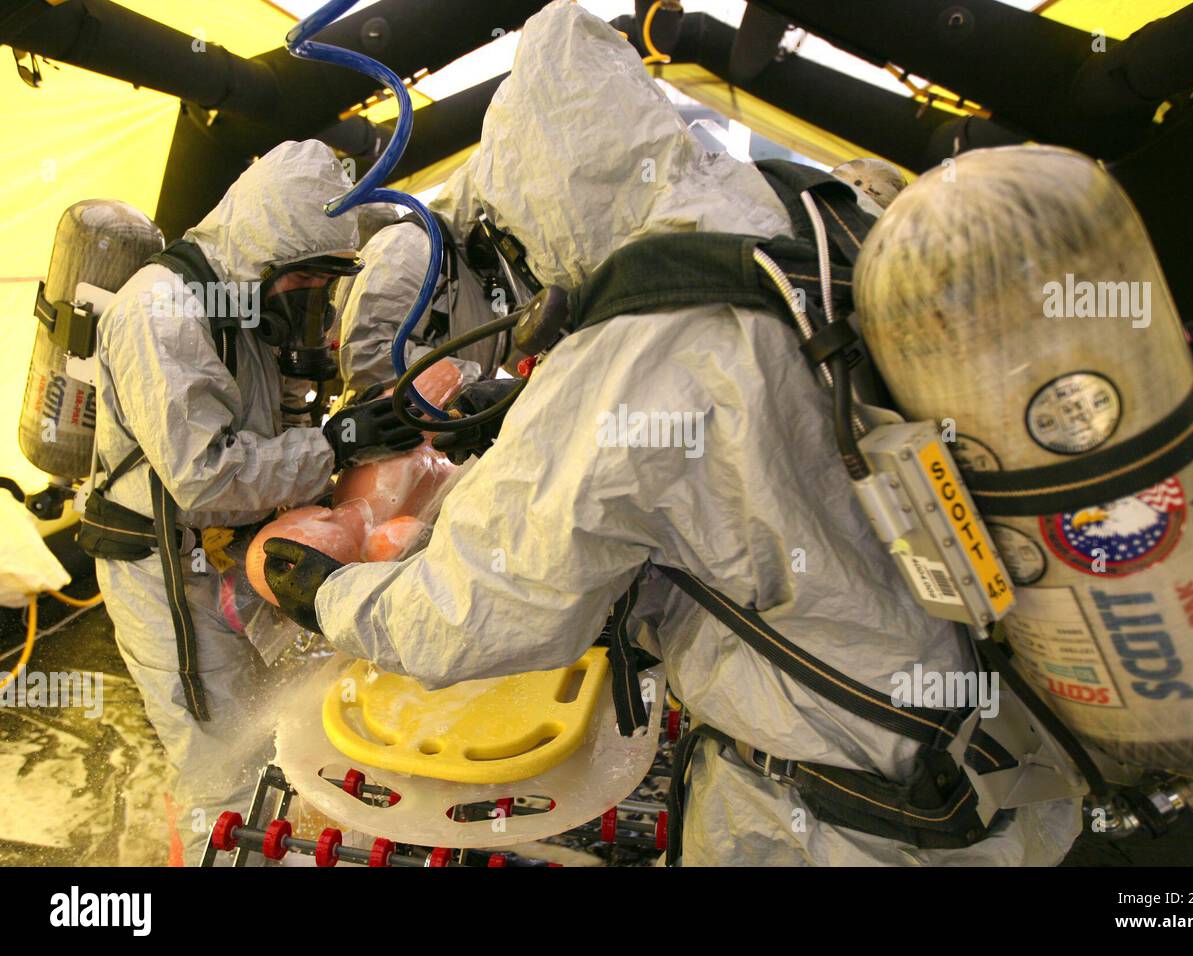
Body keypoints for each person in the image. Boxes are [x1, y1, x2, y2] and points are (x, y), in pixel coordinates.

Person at [267, 3, 1081, 865]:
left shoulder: (633, 348)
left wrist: (327, 595)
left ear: (544, 191)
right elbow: (740, 504)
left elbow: (471, 618)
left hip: (839, 811)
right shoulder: (809, 243)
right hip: (1003, 748)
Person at [88, 139, 422, 864]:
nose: (310, 294)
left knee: (283, 731)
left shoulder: (241, 306)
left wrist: (346, 436)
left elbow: (273, 437)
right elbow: (206, 479)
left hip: (232, 558)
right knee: (218, 755)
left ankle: (281, 846)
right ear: (262, 247)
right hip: (164, 570)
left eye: (322, 280)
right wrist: (335, 446)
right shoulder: (162, 312)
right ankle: (218, 846)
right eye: (301, 275)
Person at [334, 209, 509, 398]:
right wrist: (476, 387)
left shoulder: (490, 275)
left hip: (451, 422)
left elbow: (517, 349)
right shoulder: (410, 243)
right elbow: (368, 356)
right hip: (399, 420)